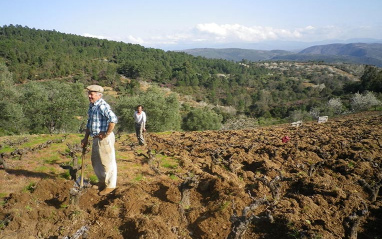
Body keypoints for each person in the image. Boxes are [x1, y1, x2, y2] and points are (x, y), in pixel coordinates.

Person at [81, 85, 118, 196]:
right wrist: (86, 138)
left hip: (104, 139)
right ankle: (102, 182)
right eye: (89, 93)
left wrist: (106, 133)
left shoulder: (102, 106)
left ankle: (111, 186)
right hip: (95, 137)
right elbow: (89, 124)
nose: (89, 96)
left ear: (99, 95)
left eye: (91, 94)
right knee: (96, 161)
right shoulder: (92, 106)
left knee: (107, 162)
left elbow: (113, 119)